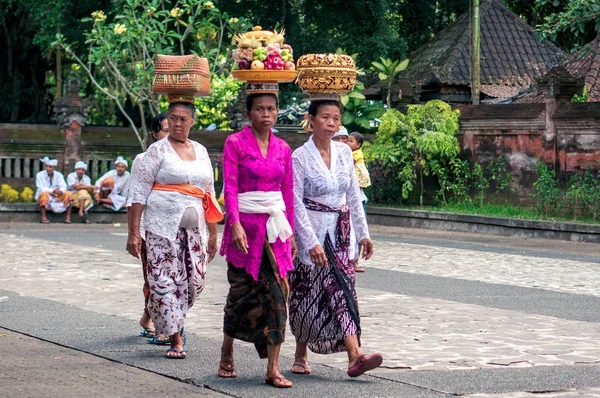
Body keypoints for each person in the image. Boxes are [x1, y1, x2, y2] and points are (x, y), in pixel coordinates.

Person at [289, 99, 382, 378]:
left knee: (343, 291)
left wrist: (363, 233)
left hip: (341, 232)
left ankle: (355, 355)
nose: (331, 123)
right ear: (311, 120)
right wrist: (309, 241)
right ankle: (300, 352)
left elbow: (353, 195)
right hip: (312, 229)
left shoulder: (344, 152)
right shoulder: (299, 157)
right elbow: (294, 201)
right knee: (308, 292)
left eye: (336, 118)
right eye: (325, 117)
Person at [127, 101, 221, 359]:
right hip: (160, 229)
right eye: (173, 118)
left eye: (182, 119)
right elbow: (138, 193)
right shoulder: (157, 151)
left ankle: (169, 321)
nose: (177, 123)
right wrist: (134, 233)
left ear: (192, 121)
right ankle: (176, 338)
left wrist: (213, 235)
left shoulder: (201, 151)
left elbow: (209, 195)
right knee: (163, 283)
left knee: (194, 283)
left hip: (194, 231)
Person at [218, 91, 296, 388]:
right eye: (260, 109)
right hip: (246, 230)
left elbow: (287, 192)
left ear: (277, 113)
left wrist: (292, 234)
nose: (266, 114)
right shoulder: (234, 143)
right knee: (240, 294)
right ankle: (227, 349)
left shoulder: (283, 148)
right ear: (249, 113)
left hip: (276, 231)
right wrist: (234, 224)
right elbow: (231, 187)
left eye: (271, 109)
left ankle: (273, 368)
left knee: (278, 297)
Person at [126, 113, 169, 342]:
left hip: (178, 229)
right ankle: (160, 323)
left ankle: (148, 316)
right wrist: (134, 233)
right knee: (153, 277)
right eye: (164, 131)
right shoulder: (143, 159)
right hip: (149, 228)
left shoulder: (191, 156)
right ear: (155, 134)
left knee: (175, 280)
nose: (169, 136)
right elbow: (135, 197)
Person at [347, 131, 372, 273]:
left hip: (359, 198)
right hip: (355, 196)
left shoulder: (355, 155)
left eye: (350, 141)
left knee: (358, 230)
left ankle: (355, 261)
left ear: (358, 145)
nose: (347, 143)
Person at [35, 157, 72, 223]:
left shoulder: (59, 175)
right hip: (45, 195)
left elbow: (63, 186)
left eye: (50, 167)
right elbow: (40, 187)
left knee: (68, 193)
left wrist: (61, 191)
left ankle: (68, 217)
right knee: (44, 194)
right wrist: (52, 191)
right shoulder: (39, 175)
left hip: (57, 196)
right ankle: (43, 217)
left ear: (54, 168)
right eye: (46, 166)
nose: (48, 168)